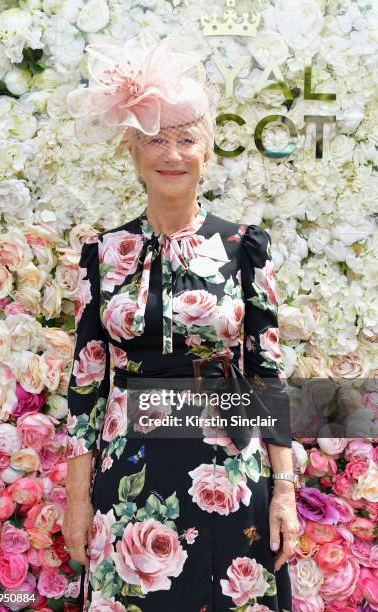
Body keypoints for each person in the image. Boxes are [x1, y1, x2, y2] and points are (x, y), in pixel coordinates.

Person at [62, 31, 299, 612]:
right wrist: (75, 501)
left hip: (227, 473)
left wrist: (285, 490)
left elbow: (267, 373)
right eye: (155, 140)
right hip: (130, 476)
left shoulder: (245, 247)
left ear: (207, 151)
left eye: (186, 139)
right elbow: (86, 387)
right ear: (133, 154)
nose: (172, 153)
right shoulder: (102, 253)